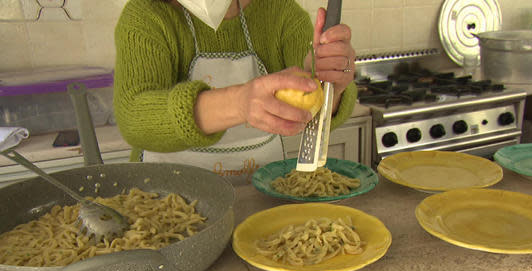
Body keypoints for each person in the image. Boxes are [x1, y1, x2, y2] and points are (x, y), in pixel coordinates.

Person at [113, 0, 358, 185]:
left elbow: (318, 104)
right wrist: (239, 103)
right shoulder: (146, 15)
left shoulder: (279, 12)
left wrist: (329, 86)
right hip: (167, 203)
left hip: (262, 200)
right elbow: (133, 117)